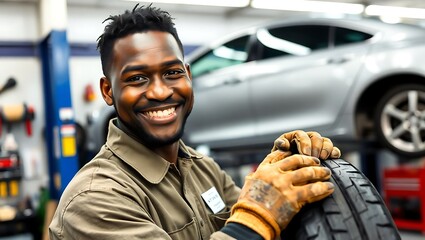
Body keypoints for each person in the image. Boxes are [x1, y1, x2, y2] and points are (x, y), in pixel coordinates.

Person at [49, 4, 341, 240]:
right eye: (137, 78)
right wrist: (257, 217)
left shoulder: (204, 168)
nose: (161, 91)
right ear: (108, 91)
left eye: (172, 73)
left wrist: (286, 165)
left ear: (188, 74)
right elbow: (255, 219)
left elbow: (266, 218)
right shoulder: (94, 199)